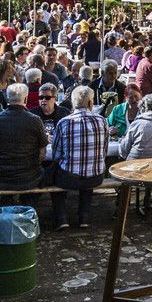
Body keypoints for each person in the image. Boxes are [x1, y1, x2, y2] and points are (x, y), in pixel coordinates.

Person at [51, 85, 110, 230]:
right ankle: (84, 216)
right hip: (96, 176)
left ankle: (62, 217)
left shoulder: (64, 122)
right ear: (90, 103)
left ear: (73, 103)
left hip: (69, 178)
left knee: (55, 176)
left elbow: (56, 155)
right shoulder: (102, 121)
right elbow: (104, 151)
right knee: (88, 172)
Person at [0, 81, 49, 190]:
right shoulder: (35, 120)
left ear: (8, 99)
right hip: (28, 179)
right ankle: (29, 203)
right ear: (25, 99)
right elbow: (42, 153)